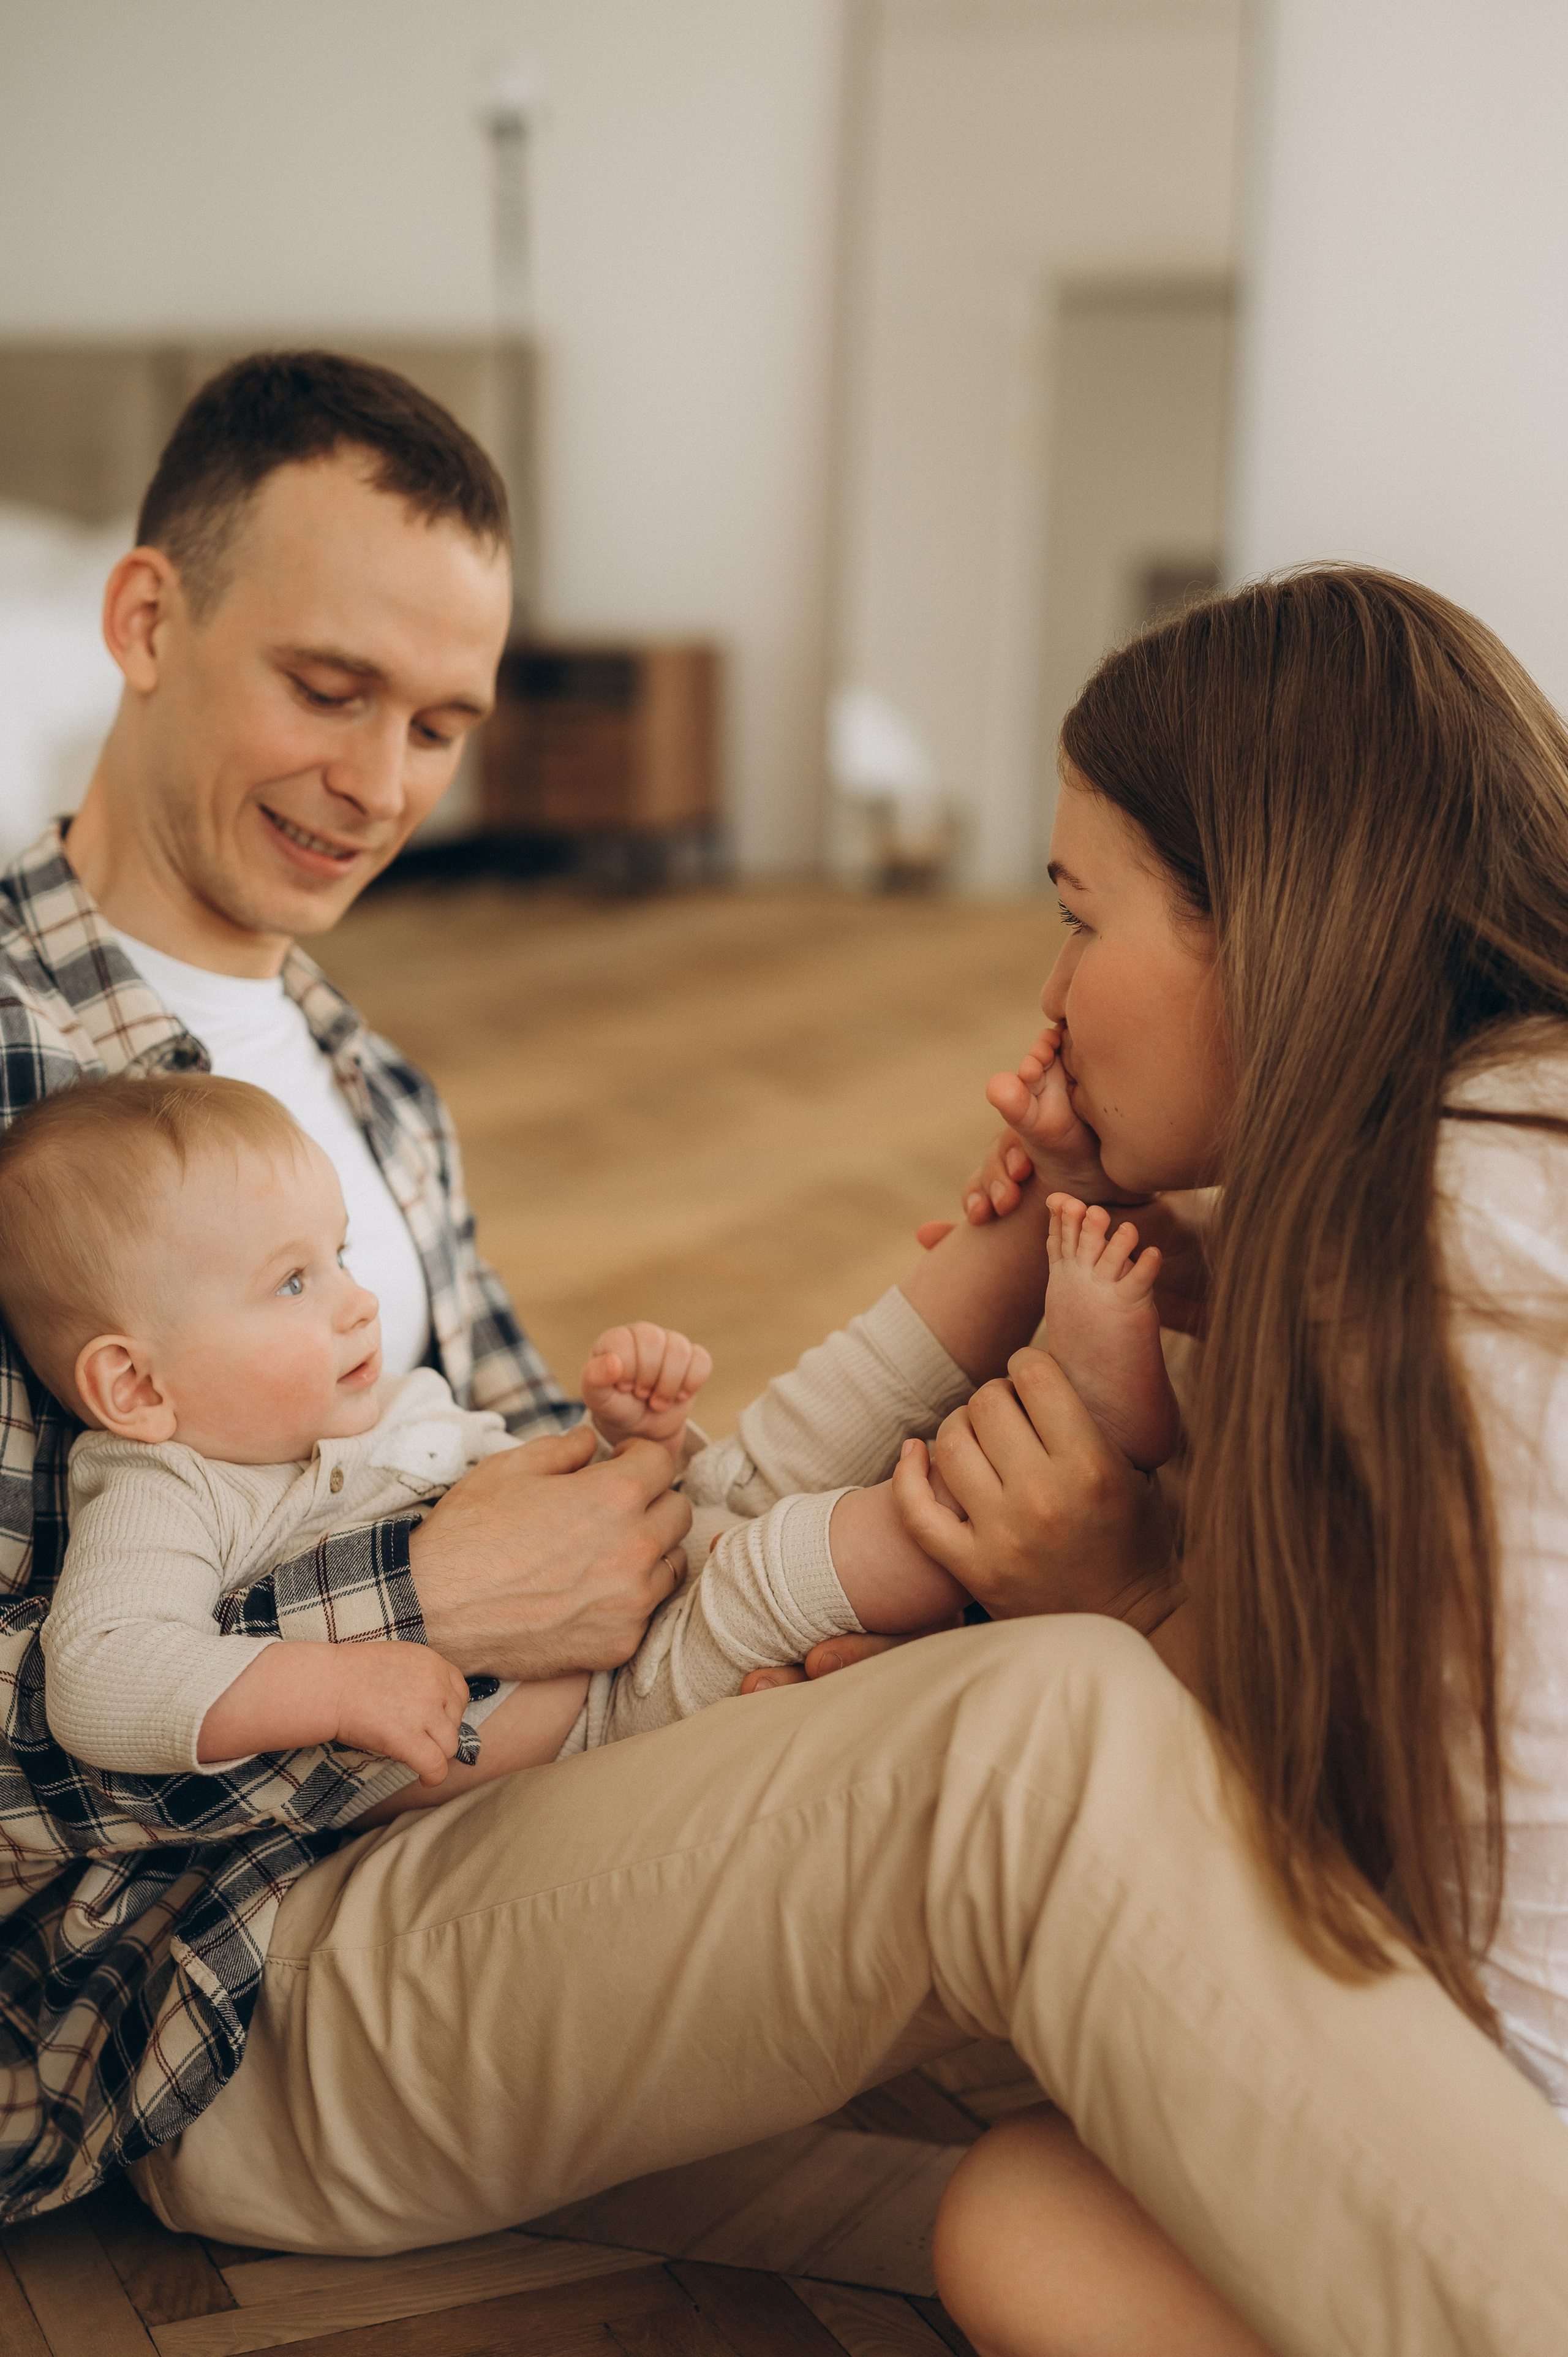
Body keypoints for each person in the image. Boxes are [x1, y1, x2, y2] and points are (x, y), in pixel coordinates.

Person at [0, 351, 1562, 2357]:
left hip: (529, 1798)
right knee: (1036, 1734)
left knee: (963, 1749)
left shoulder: (376, 1092)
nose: (384, 781)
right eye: (329, 687)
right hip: (229, 1982)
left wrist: (667, 1505)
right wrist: (411, 1597)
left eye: (445, 722)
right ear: (146, 619)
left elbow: (566, 1526)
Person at [6, 1072, 973, 1794]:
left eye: (338, 1256)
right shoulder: (166, 1492)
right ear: (134, 1385)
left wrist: (630, 1440)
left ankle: (1016, 1250)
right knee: (850, 1546)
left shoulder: (368, 1405)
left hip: (645, 1572)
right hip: (603, 1717)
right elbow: (98, 1675)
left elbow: (554, 1523)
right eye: (292, 1283)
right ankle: (1026, 1525)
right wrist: (334, 1686)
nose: (358, 1305)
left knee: (805, 1434)